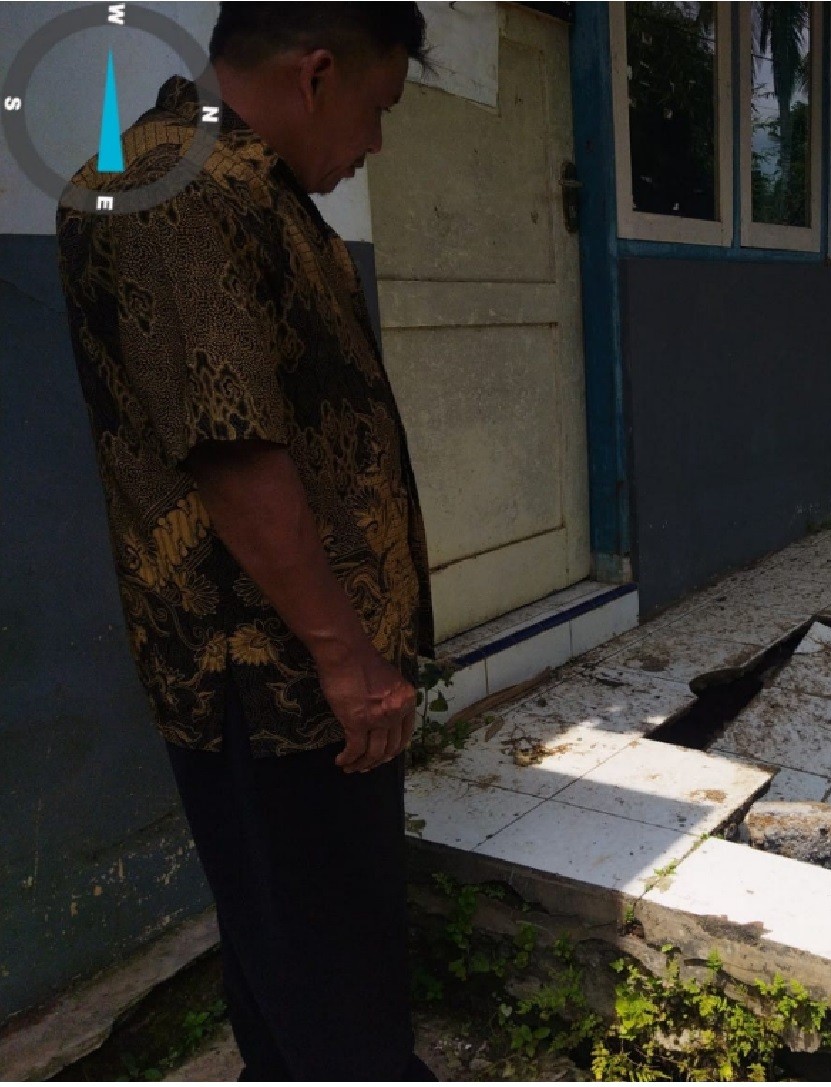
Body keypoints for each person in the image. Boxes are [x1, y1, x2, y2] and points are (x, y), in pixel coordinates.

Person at [57, 5, 437, 1079]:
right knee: (328, 989)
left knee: (315, 961)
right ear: (318, 73)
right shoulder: (174, 189)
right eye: (378, 110)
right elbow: (232, 450)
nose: (374, 146)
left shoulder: (246, 184)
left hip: (304, 675)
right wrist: (348, 661)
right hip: (267, 680)